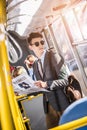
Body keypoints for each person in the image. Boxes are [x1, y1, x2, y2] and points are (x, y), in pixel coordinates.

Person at [26, 32, 70, 129]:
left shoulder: (53, 55)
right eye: (36, 44)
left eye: (42, 42)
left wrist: (46, 84)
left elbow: (65, 81)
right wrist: (28, 89)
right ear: (30, 47)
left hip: (62, 103)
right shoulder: (35, 64)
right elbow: (40, 85)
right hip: (48, 106)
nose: (41, 45)